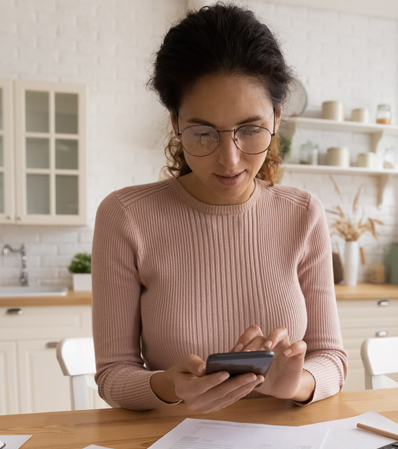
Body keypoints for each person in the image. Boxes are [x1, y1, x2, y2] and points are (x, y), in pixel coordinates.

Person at [92, 3, 347, 413]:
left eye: (250, 129)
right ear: (175, 122)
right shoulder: (126, 216)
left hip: (284, 445)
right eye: (203, 132)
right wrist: (167, 386)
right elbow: (113, 375)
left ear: (278, 118)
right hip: (170, 448)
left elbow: (331, 359)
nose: (230, 160)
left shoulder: (303, 214)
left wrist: (297, 383)